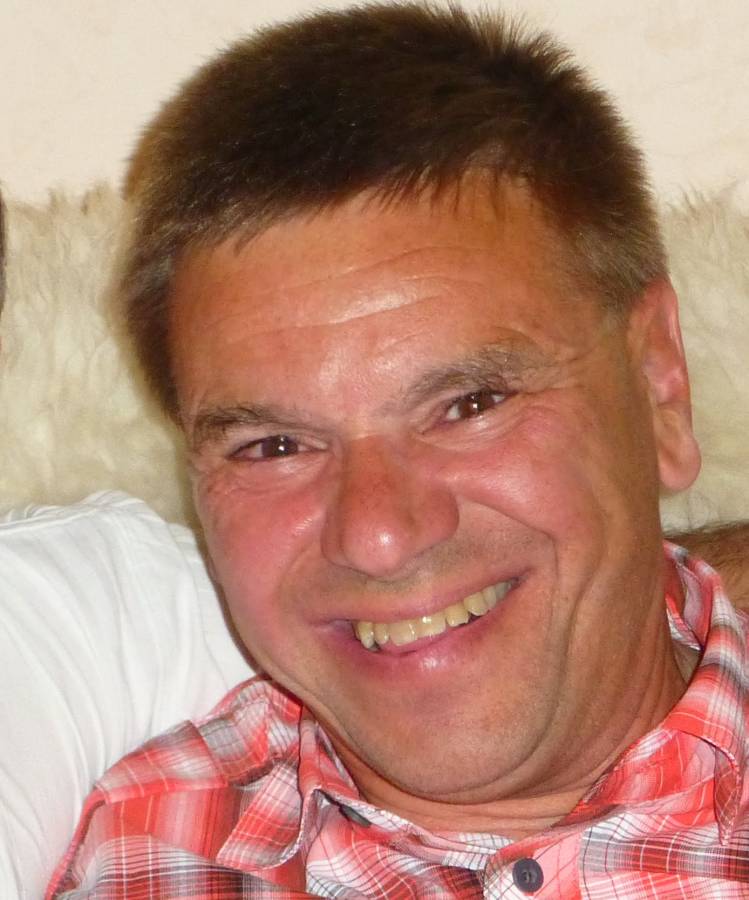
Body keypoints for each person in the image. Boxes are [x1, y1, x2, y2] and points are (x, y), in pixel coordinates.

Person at [44, 3, 749, 896]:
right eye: (275, 445)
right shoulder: (142, 857)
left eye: (468, 404)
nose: (378, 535)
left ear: (658, 385)